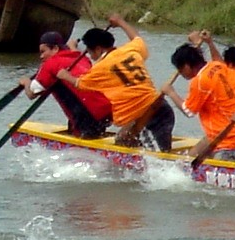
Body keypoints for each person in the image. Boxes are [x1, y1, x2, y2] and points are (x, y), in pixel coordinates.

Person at [74, 14, 175, 150]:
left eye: (90, 52)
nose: (91, 57)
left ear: (98, 49)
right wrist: (121, 22)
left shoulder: (101, 67)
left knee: (159, 159)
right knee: (122, 140)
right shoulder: (130, 50)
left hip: (150, 116)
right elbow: (137, 38)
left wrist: (64, 75)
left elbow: (80, 84)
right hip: (158, 107)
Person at [17, 30, 110, 138]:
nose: (41, 56)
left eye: (43, 51)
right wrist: (73, 46)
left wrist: (26, 82)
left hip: (87, 116)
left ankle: (82, 137)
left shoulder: (50, 63)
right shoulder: (81, 58)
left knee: (85, 126)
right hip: (107, 112)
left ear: (55, 49)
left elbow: (32, 94)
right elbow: (75, 53)